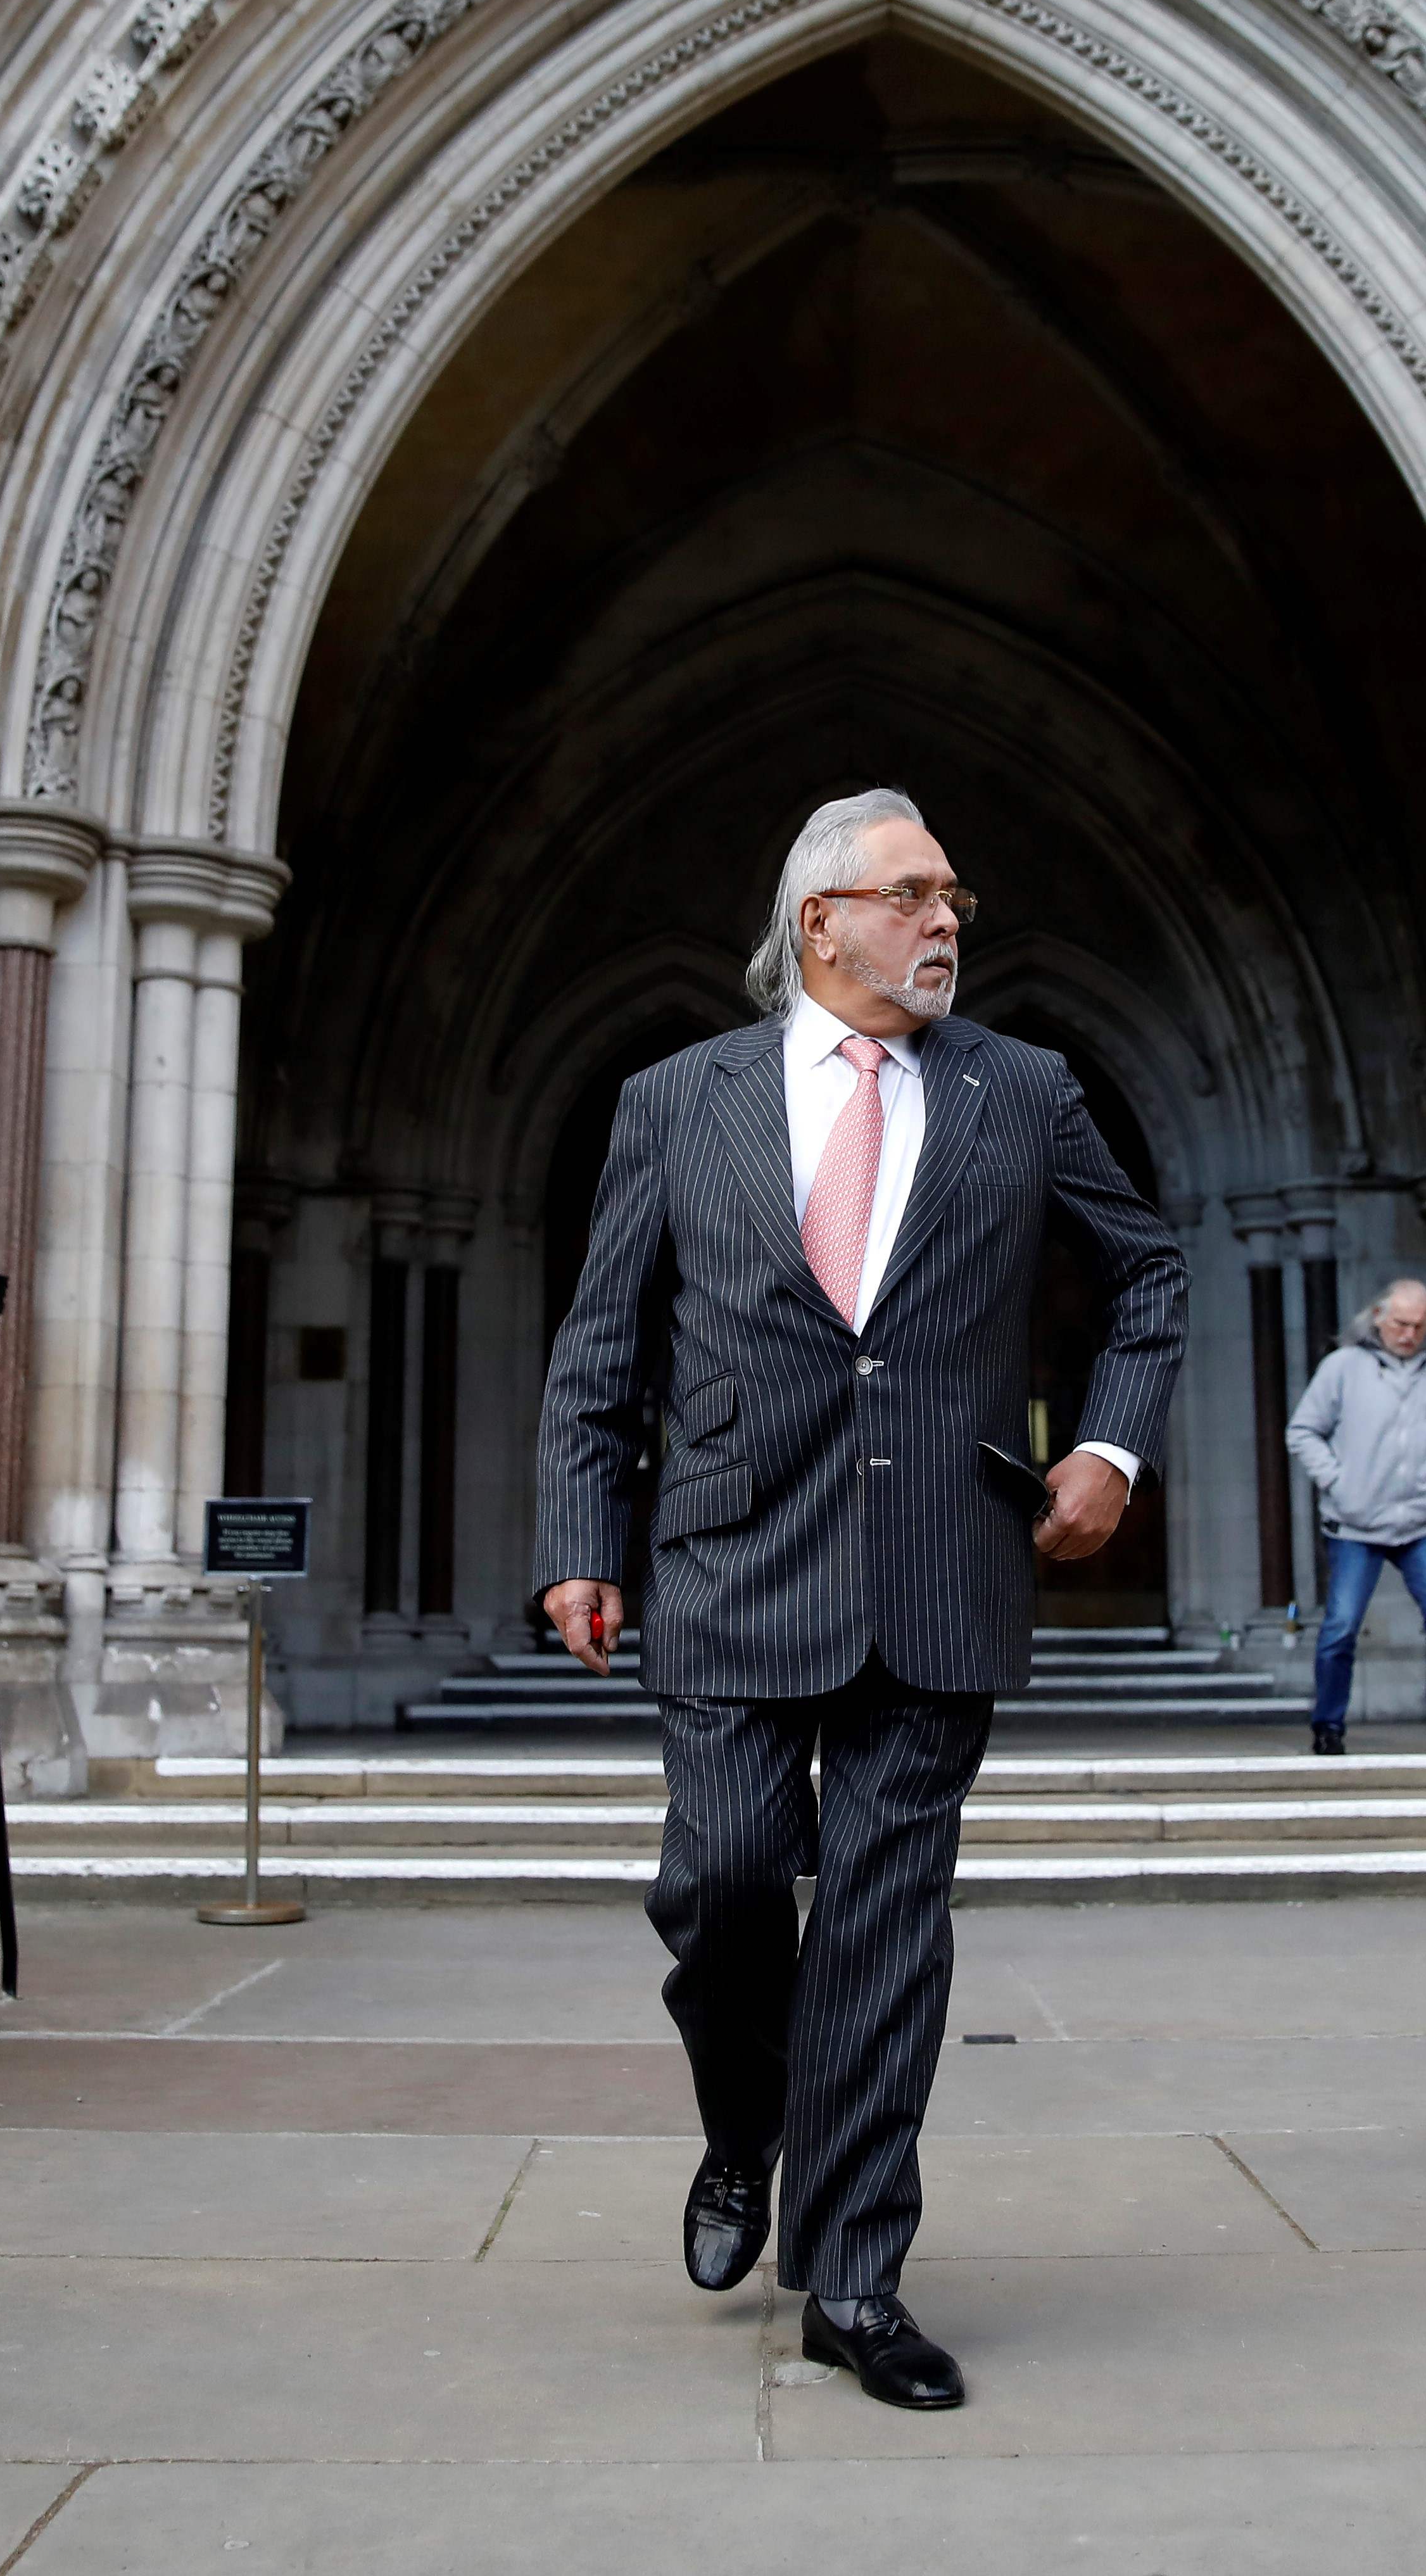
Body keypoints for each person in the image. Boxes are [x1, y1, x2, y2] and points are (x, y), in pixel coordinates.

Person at [534, 788, 1183, 2413]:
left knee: (888, 1935)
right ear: (820, 919)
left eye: (956, 894)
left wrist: (1106, 1446)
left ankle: (854, 2276)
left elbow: (1149, 1276)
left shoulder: (1023, 1092)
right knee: (722, 1882)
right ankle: (746, 2122)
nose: (947, 920)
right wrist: (577, 1539)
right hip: (728, 1554)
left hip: (941, 1566)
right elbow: (603, 1341)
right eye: (913, 895)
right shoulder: (677, 1102)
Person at [1285, 1279, 1426, 1756]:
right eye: (1400, 1323)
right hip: (1356, 1523)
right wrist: (1338, 1481)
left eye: (1419, 1326)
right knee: (1340, 1627)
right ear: (1377, 1317)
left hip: (1425, 1523)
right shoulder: (1343, 1367)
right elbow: (1303, 1431)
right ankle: (1328, 1726)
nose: (1409, 1334)